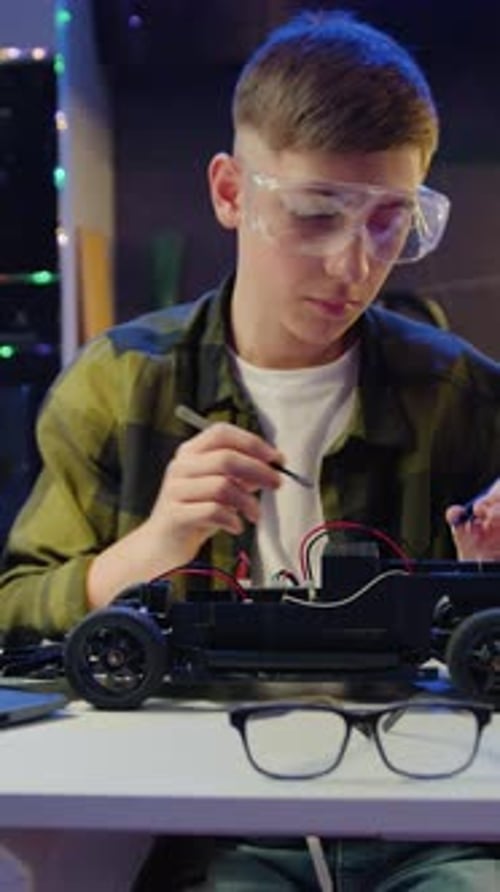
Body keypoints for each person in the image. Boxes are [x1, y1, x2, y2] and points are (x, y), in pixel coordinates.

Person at [1, 7, 500, 890]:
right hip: (212, 812)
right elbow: (14, 616)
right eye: (315, 216)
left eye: (391, 220)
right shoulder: (120, 387)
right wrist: (151, 549)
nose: (356, 265)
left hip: (429, 807)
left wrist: (485, 579)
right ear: (231, 193)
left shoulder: (462, 395)